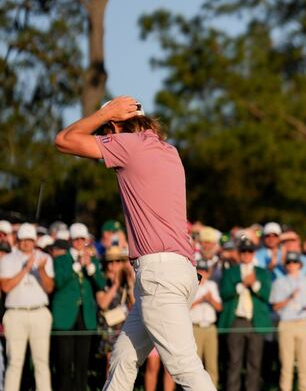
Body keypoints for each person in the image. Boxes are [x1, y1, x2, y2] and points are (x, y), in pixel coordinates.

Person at [54, 96, 215, 390]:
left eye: (106, 131)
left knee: (185, 369)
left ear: (116, 124)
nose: (104, 139)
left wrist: (104, 114)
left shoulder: (129, 145)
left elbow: (64, 140)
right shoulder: (169, 150)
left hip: (159, 275)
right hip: (175, 272)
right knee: (123, 359)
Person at [52, 222, 105, 391]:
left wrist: (90, 267)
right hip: (65, 315)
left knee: (82, 362)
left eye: (83, 239)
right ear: (70, 240)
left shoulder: (93, 261)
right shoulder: (61, 260)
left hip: (85, 315)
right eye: (76, 239)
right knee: (64, 362)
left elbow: (101, 284)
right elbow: (58, 282)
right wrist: (76, 266)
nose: (79, 242)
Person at [0, 223, 54, 391]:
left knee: (41, 362)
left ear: (34, 240)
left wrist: (42, 270)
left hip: (40, 312)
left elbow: (49, 287)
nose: (27, 243)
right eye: (23, 240)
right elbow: (6, 287)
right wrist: (25, 269)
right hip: (15, 314)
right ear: (17, 241)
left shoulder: (45, 258)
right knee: (14, 362)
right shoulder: (7, 260)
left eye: (30, 240)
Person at [219, 237, 272, 391]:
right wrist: (242, 285)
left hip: (256, 321)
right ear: (240, 253)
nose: (247, 254)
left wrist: (254, 284)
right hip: (236, 321)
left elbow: (266, 295)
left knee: (254, 362)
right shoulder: (231, 272)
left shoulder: (261, 273)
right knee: (234, 361)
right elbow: (225, 293)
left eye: (249, 251)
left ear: (253, 254)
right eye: (244, 251)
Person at [270, 251, 306, 391]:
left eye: (294, 262)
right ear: (286, 265)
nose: (292, 265)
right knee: (286, 365)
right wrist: (289, 298)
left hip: (304, 322)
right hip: (287, 323)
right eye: (289, 263)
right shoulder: (279, 282)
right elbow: (275, 306)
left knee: (305, 365)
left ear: (299, 264)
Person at [96, 246, 136, 369]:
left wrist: (129, 287)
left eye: (117, 261)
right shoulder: (102, 281)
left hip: (125, 326)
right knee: (111, 362)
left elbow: (134, 305)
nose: (114, 265)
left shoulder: (126, 281)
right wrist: (115, 285)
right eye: (110, 261)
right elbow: (102, 303)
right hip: (109, 327)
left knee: (124, 363)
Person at [191, 259, 223, 387]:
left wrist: (210, 299)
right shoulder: (191, 286)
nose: (203, 273)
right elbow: (185, 307)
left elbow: (219, 307)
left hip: (210, 328)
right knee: (195, 365)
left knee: (212, 365)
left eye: (205, 271)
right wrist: (200, 300)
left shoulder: (212, 286)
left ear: (209, 273)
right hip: (195, 328)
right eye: (200, 270)